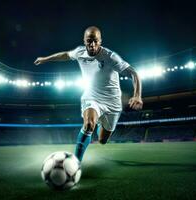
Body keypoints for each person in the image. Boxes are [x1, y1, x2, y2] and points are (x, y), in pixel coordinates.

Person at [34, 26, 143, 162]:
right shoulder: (80, 52)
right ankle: (75, 163)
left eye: (95, 41)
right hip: (92, 97)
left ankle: (99, 125)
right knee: (88, 124)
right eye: (89, 41)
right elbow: (66, 55)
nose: (92, 44)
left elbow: (134, 73)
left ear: (100, 41)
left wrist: (137, 95)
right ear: (84, 41)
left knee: (103, 140)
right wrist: (45, 59)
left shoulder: (110, 57)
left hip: (113, 102)